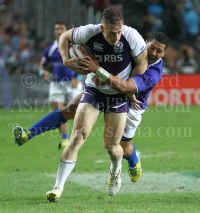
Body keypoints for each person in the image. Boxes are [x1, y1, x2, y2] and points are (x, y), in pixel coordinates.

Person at [14, 8, 148, 201]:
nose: (117, 37)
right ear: (102, 28)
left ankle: (115, 168)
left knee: (111, 147)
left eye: (119, 31)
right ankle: (57, 187)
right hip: (94, 91)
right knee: (78, 136)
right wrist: (66, 60)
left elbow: (141, 62)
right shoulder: (89, 32)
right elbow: (65, 38)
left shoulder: (131, 36)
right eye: (112, 33)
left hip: (118, 95)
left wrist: (128, 87)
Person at [38, 22, 83, 149]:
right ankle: (65, 139)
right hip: (57, 84)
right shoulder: (50, 48)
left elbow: (84, 63)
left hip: (73, 83)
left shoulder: (74, 47)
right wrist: (42, 71)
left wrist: (78, 77)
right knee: (58, 111)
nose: (58, 31)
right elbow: (42, 65)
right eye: (56, 29)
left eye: (61, 28)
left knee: (78, 112)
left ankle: (78, 136)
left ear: (67, 30)